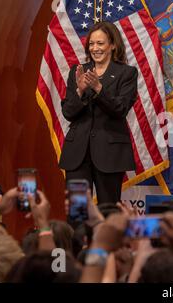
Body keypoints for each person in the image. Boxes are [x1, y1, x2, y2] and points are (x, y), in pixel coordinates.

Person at [59, 21, 138, 204]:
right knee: (77, 212)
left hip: (110, 154)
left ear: (112, 45)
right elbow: (68, 112)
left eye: (100, 43)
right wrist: (79, 91)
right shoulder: (78, 72)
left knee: (108, 212)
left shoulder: (127, 73)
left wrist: (98, 89)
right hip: (77, 155)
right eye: (92, 44)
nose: (95, 48)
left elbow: (120, 109)